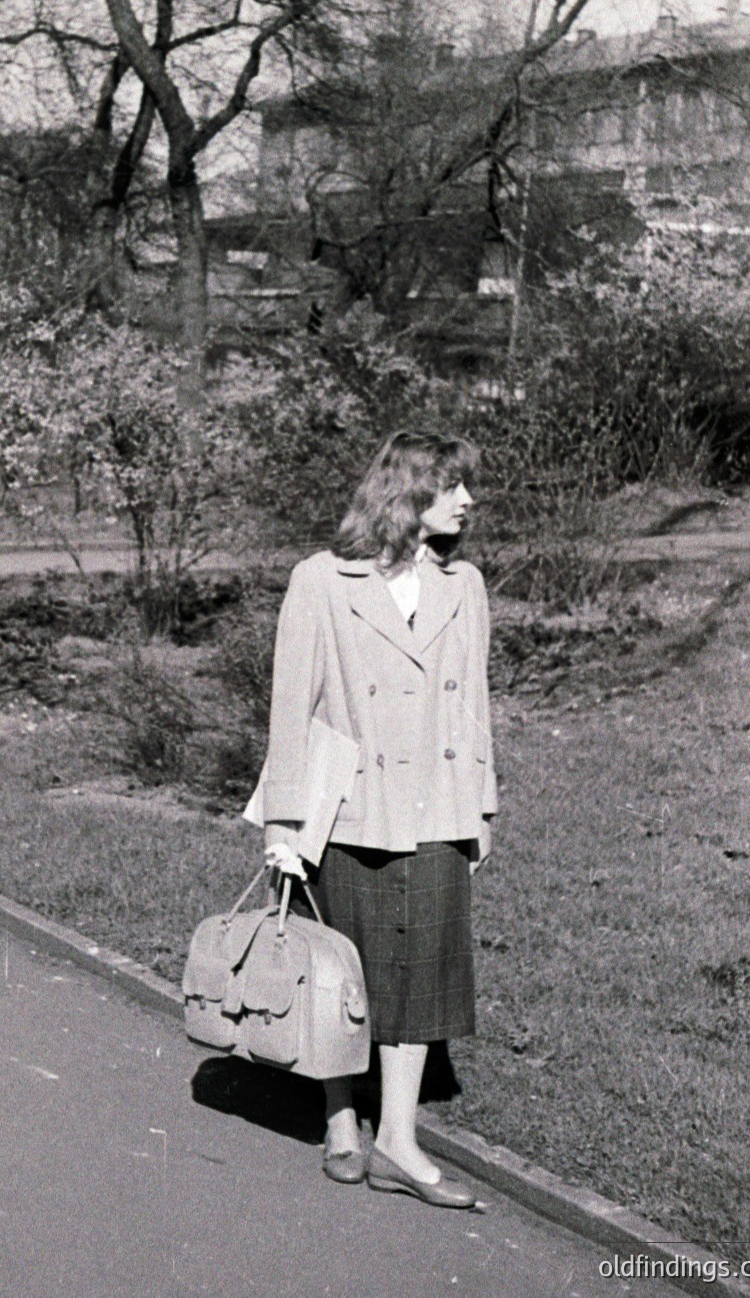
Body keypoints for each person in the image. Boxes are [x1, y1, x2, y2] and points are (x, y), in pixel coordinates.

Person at [256, 430, 496, 1208]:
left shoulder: (465, 586)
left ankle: (396, 1136)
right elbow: (292, 706)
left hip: (437, 806)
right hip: (347, 808)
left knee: (421, 972)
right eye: (452, 485)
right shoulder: (323, 581)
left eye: (467, 487)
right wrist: (283, 823)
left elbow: (476, 707)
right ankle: (339, 1119)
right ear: (407, 493)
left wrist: (481, 805)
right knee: (341, 968)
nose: (468, 500)